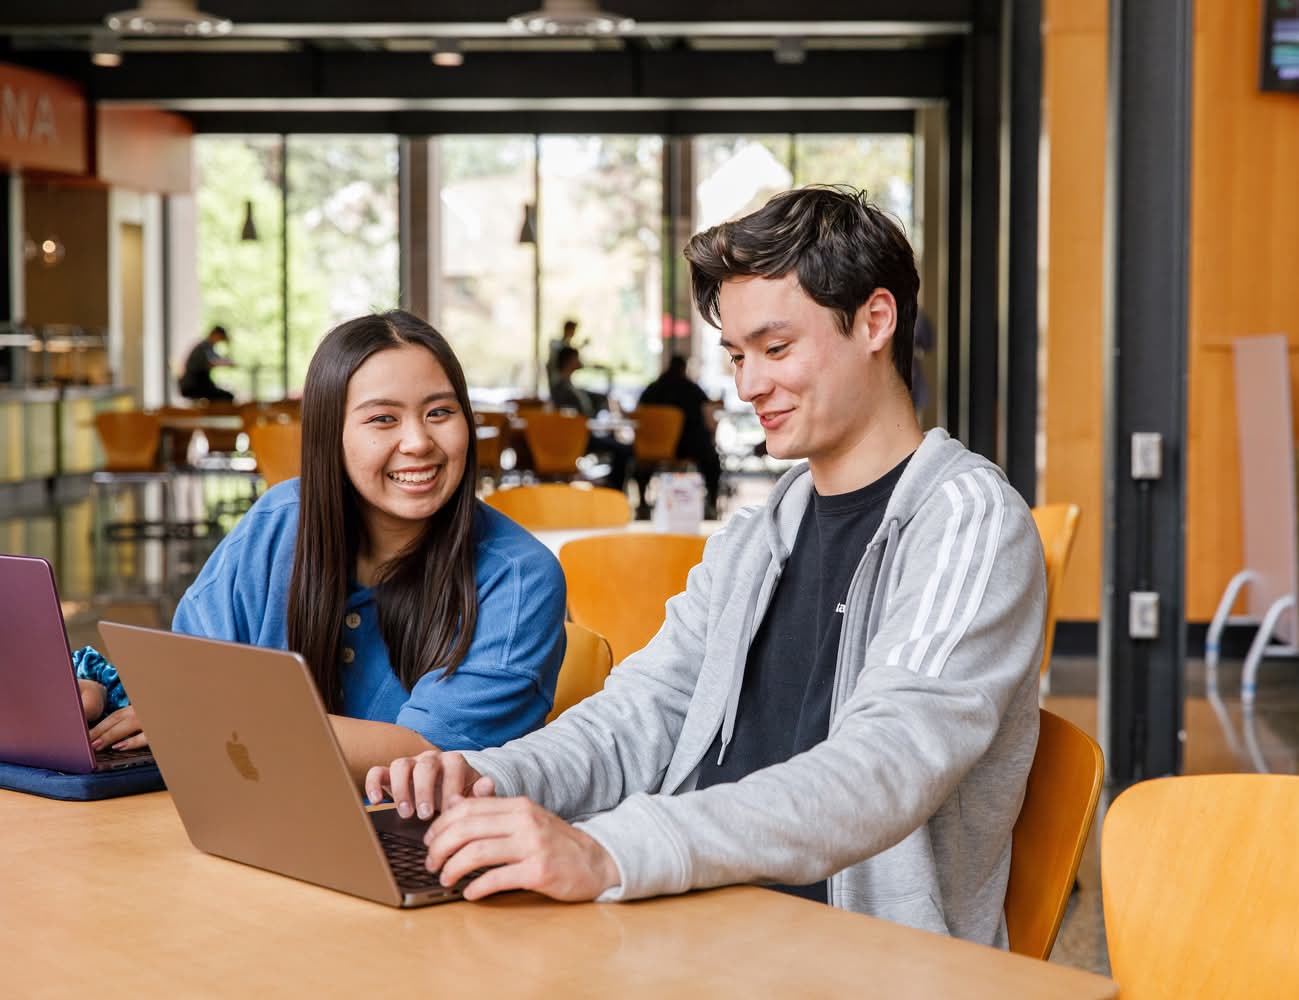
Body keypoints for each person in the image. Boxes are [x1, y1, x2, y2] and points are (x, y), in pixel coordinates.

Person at [367, 187, 1045, 948]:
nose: (748, 385)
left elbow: (881, 770)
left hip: (857, 955)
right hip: (702, 920)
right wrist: (491, 776)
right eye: (736, 355)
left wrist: (612, 848)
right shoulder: (759, 536)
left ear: (876, 323)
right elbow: (642, 713)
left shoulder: (966, 521)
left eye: (776, 348)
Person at [79, 310, 568, 777]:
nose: (419, 441)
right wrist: (103, 695)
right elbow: (187, 678)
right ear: (329, 436)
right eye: (382, 419)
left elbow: (426, 759)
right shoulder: (279, 523)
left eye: (440, 411)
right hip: (252, 824)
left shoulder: (520, 578)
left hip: (416, 846)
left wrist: (212, 718)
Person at [636, 354, 723, 518]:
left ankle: (642, 502)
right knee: (712, 461)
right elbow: (708, 412)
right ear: (684, 369)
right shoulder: (691, 388)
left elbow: (638, 413)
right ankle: (711, 502)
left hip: (654, 447)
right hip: (688, 446)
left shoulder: (652, 389)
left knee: (639, 463)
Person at [549, 344, 631, 493]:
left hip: (580, 436)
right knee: (623, 450)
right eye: (577, 358)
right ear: (569, 361)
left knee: (621, 447)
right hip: (574, 439)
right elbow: (572, 418)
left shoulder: (571, 386)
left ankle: (611, 489)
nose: (580, 362)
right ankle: (614, 492)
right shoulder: (561, 388)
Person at [179, 325, 235, 402]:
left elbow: (217, 359)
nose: (219, 341)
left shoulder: (208, 347)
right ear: (215, 334)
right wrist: (227, 363)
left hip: (200, 383)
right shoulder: (204, 347)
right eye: (220, 337)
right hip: (194, 385)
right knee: (226, 397)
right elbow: (211, 362)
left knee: (226, 396)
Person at [545, 318, 584, 389]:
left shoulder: (566, 345)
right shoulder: (555, 344)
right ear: (567, 329)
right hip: (557, 382)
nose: (573, 333)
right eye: (572, 330)